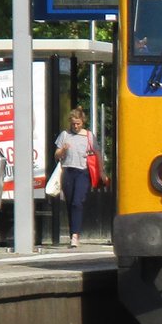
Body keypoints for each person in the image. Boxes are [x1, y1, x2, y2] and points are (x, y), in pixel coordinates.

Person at [53, 106, 94, 248]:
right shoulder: (65, 135)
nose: (76, 126)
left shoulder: (88, 136)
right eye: (73, 124)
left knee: (77, 202)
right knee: (70, 203)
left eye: (78, 123)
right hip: (68, 170)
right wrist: (63, 149)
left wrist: (101, 171)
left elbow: (97, 153)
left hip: (82, 171)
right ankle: (73, 233)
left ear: (83, 122)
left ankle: (75, 235)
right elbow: (56, 155)